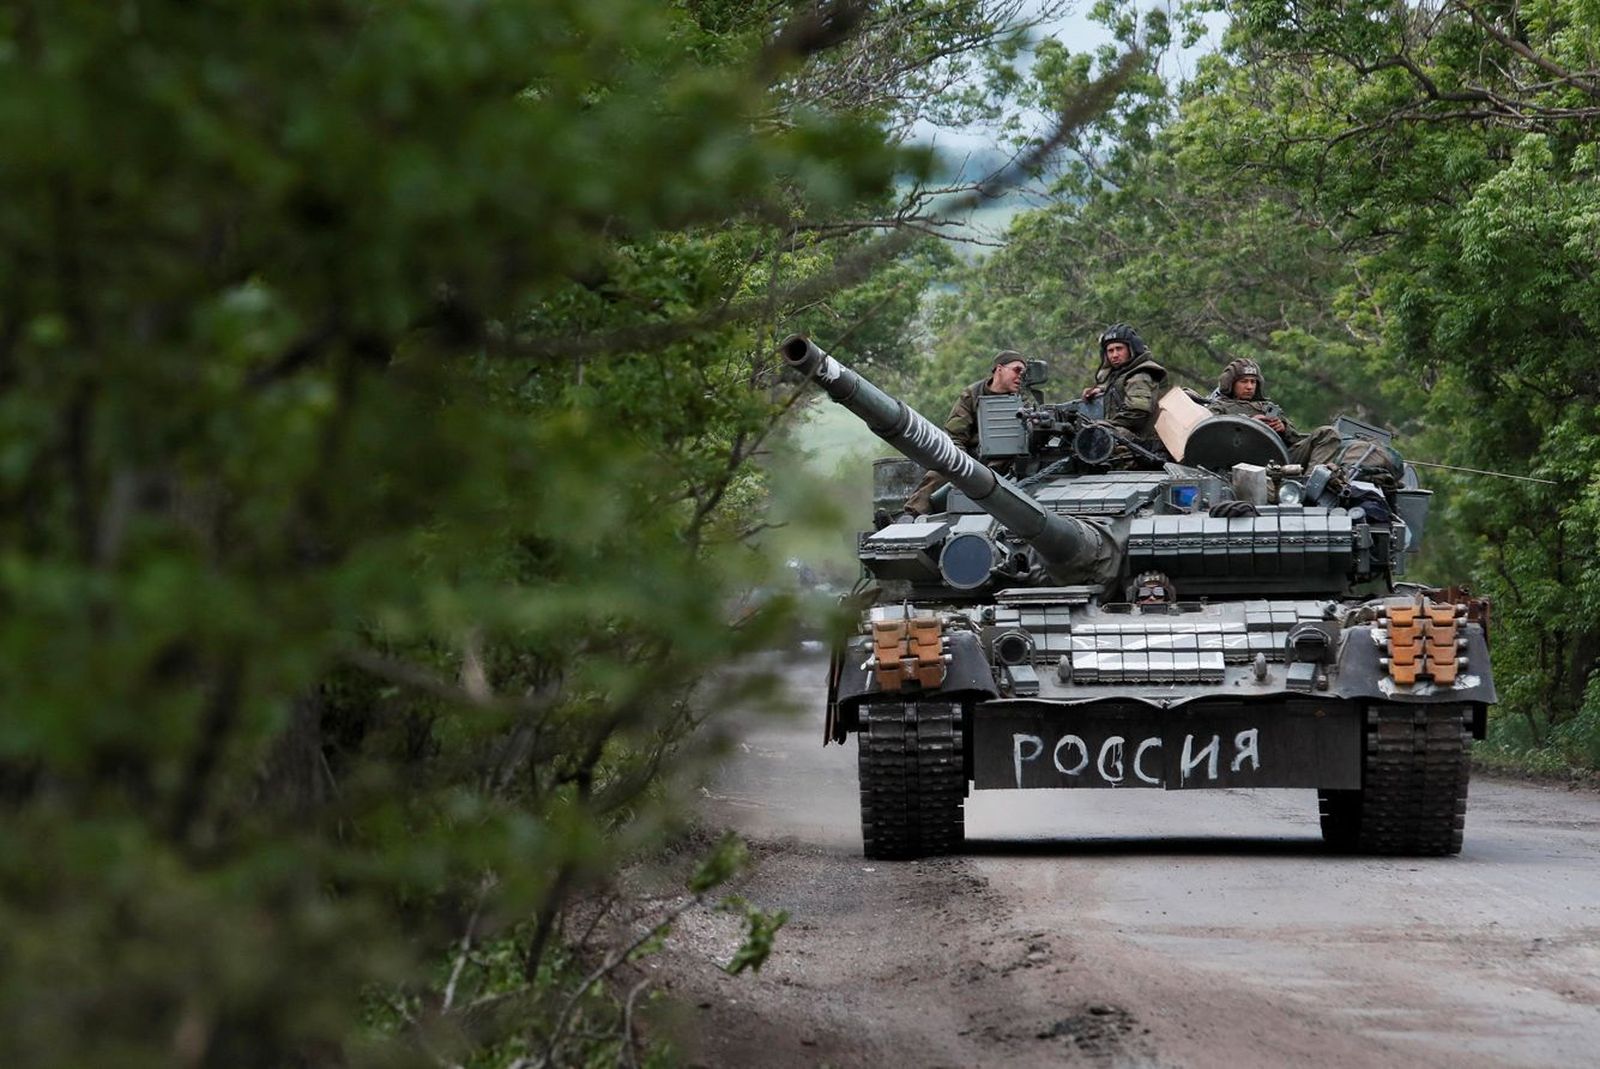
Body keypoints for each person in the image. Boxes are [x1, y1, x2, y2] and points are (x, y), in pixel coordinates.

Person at [900, 350, 1028, 518]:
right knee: (938, 471)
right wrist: (961, 464)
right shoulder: (972, 394)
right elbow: (955, 434)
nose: (1020, 376)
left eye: (1024, 373)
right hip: (970, 457)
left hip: (1004, 461)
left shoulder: (1023, 400)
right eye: (1017, 370)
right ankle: (910, 517)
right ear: (999, 369)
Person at [1206, 358, 1342, 468]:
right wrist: (1248, 423)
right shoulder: (1219, 408)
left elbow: (1296, 440)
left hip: (1279, 460)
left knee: (1327, 433)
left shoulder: (1267, 407)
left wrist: (1283, 428)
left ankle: (1310, 483)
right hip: (1240, 464)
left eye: (1253, 382)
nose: (1249, 387)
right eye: (1244, 381)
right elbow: (1209, 436)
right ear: (1230, 384)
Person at [1081, 323, 1168, 463]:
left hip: (1142, 446)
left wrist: (1106, 425)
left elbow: (1137, 412)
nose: (1114, 355)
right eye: (1110, 351)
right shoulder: (1121, 374)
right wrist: (1100, 390)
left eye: (1119, 349)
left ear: (1131, 349)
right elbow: (1120, 388)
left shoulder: (1140, 376)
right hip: (1129, 442)